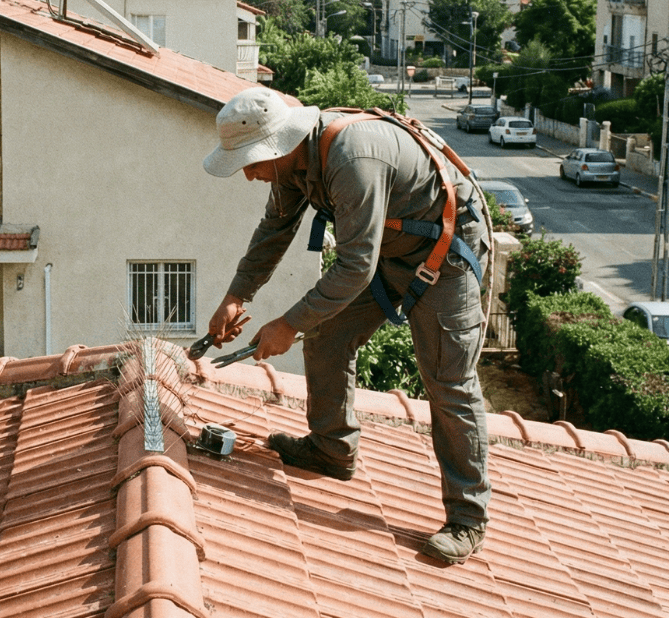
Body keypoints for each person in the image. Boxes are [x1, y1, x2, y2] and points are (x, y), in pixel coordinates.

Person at [203, 86, 493, 565]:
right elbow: (274, 230)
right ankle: (331, 448)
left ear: (278, 147)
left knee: (448, 381)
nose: (250, 175)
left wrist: (287, 324)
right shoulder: (294, 163)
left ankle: (467, 518)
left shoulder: (352, 158)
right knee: (329, 335)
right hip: (387, 250)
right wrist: (237, 296)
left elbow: (355, 267)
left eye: (251, 163)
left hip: (446, 251)